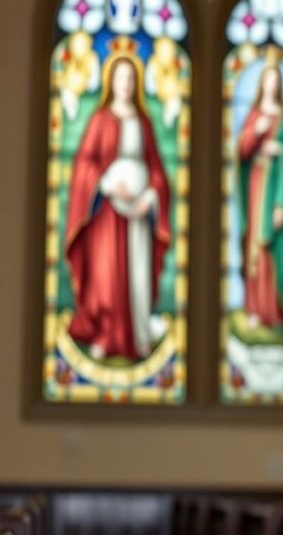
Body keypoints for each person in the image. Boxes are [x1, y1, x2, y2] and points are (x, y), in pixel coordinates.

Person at [66, 41, 172, 362]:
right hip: (106, 214)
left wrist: (150, 197)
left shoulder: (144, 123)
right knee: (107, 277)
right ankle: (104, 336)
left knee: (136, 278)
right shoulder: (100, 120)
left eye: (130, 79)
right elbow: (85, 164)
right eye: (120, 78)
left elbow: (156, 170)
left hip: (138, 215)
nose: (125, 85)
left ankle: (137, 337)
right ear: (110, 82)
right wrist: (109, 184)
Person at [237, 62, 283, 338]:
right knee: (256, 247)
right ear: (262, 83)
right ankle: (255, 309)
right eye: (269, 80)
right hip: (256, 186)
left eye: (277, 81)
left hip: (279, 190)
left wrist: (282, 151)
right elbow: (241, 151)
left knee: (277, 247)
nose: (272, 85)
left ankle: (277, 311)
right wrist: (256, 132)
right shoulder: (254, 116)